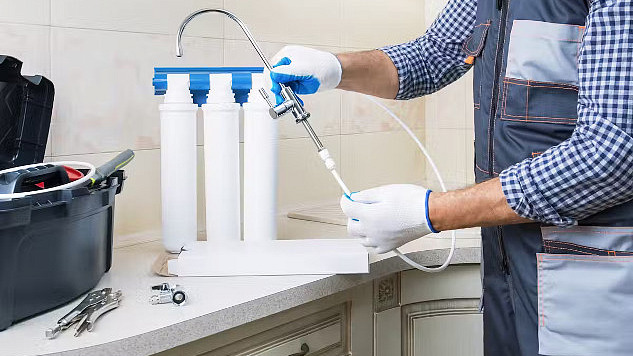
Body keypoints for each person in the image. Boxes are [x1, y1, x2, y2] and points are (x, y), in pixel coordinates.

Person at [268, 0, 633, 355]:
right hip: (506, 269)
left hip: (591, 279)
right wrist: (335, 67)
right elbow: (429, 58)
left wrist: (430, 212)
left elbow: (613, 152)